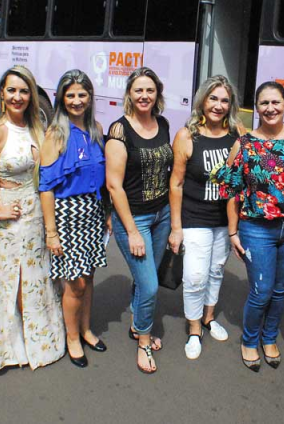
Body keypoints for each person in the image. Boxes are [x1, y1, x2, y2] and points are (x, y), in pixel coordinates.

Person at [0, 65, 65, 370]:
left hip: (36, 214)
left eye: (23, 90)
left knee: (38, 278)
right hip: (10, 219)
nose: (18, 97)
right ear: (2, 95)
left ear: (32, 94)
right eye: (11, 90)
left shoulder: (38, 125)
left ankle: (40, 343)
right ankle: (13, 347)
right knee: (14, 282)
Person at [214, 81, 284, 372]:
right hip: (256, 228)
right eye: (264, 103)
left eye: (275, 102)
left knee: (281, 290)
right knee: (261, 290)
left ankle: (269, 338)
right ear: (256, 108)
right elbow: (231, 190)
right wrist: (233, 232)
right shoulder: (244, 144)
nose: (270, 108)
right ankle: (249, 340)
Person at [169, 75, 243, 360]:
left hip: (224, 219)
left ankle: (209, 317)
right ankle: (194, 328)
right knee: (195, 275)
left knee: (216, 271)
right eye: (213, 98)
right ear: (202, 100)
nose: (219, 105)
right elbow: (175, 183)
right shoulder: (187, 136)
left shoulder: (236, 133)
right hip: (194, 217)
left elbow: (239, 178)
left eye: (224, 100)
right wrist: (176, 227)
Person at [39, 70, 109, 369]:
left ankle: (85, 328)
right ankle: (71, 338)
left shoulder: (96, 128)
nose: (77, 101)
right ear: (60, 99)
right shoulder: (55, 134)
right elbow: (46, 187)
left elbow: (101, 176)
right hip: (67, 214)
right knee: (75, 283)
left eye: (82, 95)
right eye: (70, 95)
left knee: (89, 275)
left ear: (90, 97)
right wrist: (51, 232)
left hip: (92, 211)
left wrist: (105, 213)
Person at [106, 67, 174, 374]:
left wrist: (174, 222)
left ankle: (137, 321)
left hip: (162, 215)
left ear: (157, 93)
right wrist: (132, 231)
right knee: (149, 285)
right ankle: (144, 340)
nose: (144, 96)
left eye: (150, 90)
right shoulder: (120, 130)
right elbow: (113, 185)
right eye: (138, 90)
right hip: (135, 220)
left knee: (147, 277)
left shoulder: (163, 124)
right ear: (129, 95)